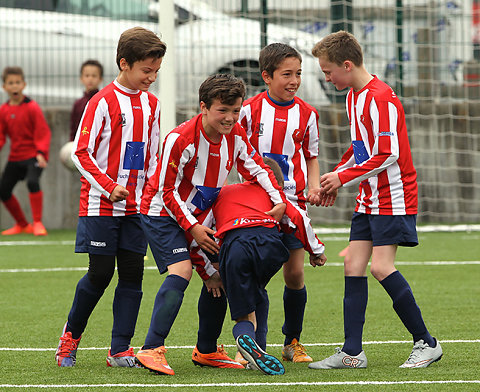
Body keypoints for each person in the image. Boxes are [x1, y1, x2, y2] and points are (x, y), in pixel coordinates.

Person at [308, 30, 442, 369]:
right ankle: (352, 352)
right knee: (353, 266)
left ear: (347, 64)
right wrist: (336, 176)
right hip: (369, 197)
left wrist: (341, 177)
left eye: (328, 72)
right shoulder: (354, 95)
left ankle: (427, 343)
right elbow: (362, 149)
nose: (327, 77)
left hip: (393, 197)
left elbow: (387, 153)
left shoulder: (380, 98)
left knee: (381, 267)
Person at [137, 73, 286, 376]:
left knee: (220, 275)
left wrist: (278, 200)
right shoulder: (180, 139)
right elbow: (165, 191)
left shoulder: (236, 135)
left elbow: (258, 168)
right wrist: (191, 227)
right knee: (183, 270)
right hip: (162, 212)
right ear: (203, 107)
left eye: (235, 111)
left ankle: (206, 350)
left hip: (198, 216)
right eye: (223, 110)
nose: (230, 118)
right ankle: (151, 348)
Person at [55, 27, 166, 368]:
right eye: (146, 70)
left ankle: (119, 349)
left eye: (156, 71)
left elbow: (153, 158)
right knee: (100, 274)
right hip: (100, 204)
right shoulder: (100, 102)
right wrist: (108, 185)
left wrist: (150, 197)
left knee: (133, 274)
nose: (152, 77)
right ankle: (69, 339)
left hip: (135, 207)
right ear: (125, 63)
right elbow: (82, 152)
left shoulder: (153, 105)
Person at [239, 42, 321, 363]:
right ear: (267, 76)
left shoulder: (307, 114)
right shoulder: (248, 111)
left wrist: (313, 186)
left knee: (295, 274)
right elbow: (238, 154)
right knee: (257, 274)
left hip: (293, 203)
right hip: (258, 204)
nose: (294, 80)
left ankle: (292, 341)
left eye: (298, 74)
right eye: (287, 74)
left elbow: (311, 157)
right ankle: (251, 343)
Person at [211, 157, 327, 375]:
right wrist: (316, 250)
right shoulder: (274, 194)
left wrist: (207, 267)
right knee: (257, 290)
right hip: (269, 245)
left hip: (234, 247)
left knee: (244, 314)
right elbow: (299, 219)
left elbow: (206, 226)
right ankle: (259, 349)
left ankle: (247, 339)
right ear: (278, 184)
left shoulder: (224, 192)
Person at [0, 66, 51, 236]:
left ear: (24, 85)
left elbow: (43, 132)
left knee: (32, 182)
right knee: (3, 190)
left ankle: (37, 223)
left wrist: (41, 153)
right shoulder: (4, 110)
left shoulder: (32, 107)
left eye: (17, 83)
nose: (14, 86)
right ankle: (22, 224)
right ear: (4, 87)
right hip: (15, 157)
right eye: (10, 83)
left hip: (33, 156)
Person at [70, 59, 104, 141]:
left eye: (94, 76)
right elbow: (73, 129)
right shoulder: (78, 104)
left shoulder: (103, 102)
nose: (90, 79)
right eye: (87, 75)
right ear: (81, 78)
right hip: (80, 143)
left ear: (100, 79)